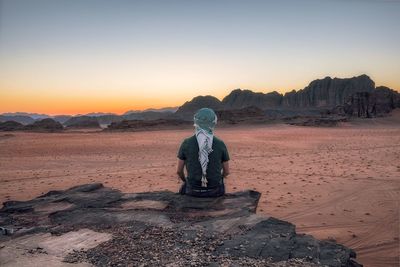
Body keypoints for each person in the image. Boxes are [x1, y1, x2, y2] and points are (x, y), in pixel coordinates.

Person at [177, 108, 230, 197]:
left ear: (196, 123)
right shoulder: (220, 144)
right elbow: (227, 172)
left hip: (193, 190)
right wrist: (217, 180)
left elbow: (179, 171)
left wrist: (186, 181)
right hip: (215, 190)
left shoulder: (186, 143)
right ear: (213, 123)